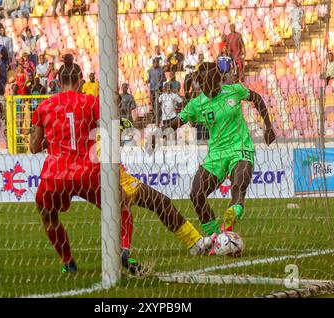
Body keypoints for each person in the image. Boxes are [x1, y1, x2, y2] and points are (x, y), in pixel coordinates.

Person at [30, 64, 212, 273]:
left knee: (48, 215)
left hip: (56, 174)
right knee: (135, 204)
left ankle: (68, 263)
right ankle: (125, 250)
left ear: (57, 81)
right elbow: (108, 137)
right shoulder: (91, 103)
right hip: (94, 170)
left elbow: (34, 146)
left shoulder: (45, 106)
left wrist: (53, 141)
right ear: (81, 81)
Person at [162, 62, 275, 238]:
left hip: (240, 147)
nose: (206, 89)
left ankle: (233, 212)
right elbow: (177, 122)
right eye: (203, 85)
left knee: (238, 185)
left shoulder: (234, 91)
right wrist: (159, 133)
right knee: (196, 194)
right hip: (216, 154)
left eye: (210, 85)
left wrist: (268, 126)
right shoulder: (196, 104)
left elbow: (257, 98)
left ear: (218, 82)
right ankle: (214, 236)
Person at [147, 58, 166, 124]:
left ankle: (160, 117)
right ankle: (155, 116)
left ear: (158, 63)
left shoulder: (161, 70)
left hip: (159, 88)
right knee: (153, 103)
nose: (156, 64)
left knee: (159, 103)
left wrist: (161, 79)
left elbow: (165, 79)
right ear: (153, 63)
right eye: (154, 63)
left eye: (157, 62)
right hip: (152, 89)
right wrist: (147, 81)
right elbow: (149, 79)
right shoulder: (150, 70)